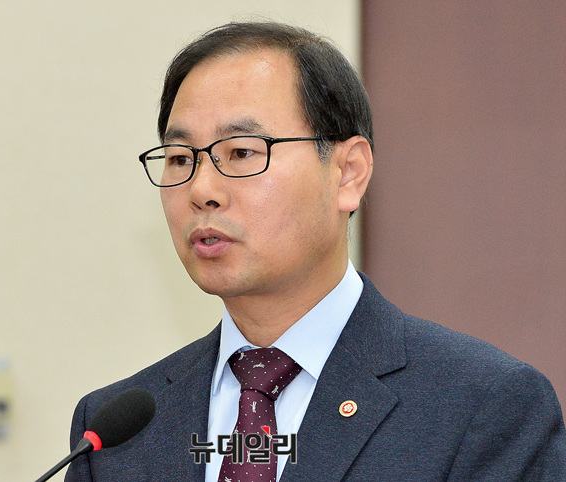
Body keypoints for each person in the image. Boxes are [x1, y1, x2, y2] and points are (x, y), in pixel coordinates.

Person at [65, 21, 566, 481]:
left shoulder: (482, 406)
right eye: (180, 158)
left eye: (241, 152)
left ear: (348, 173)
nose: (201, 190)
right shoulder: (112, 432)